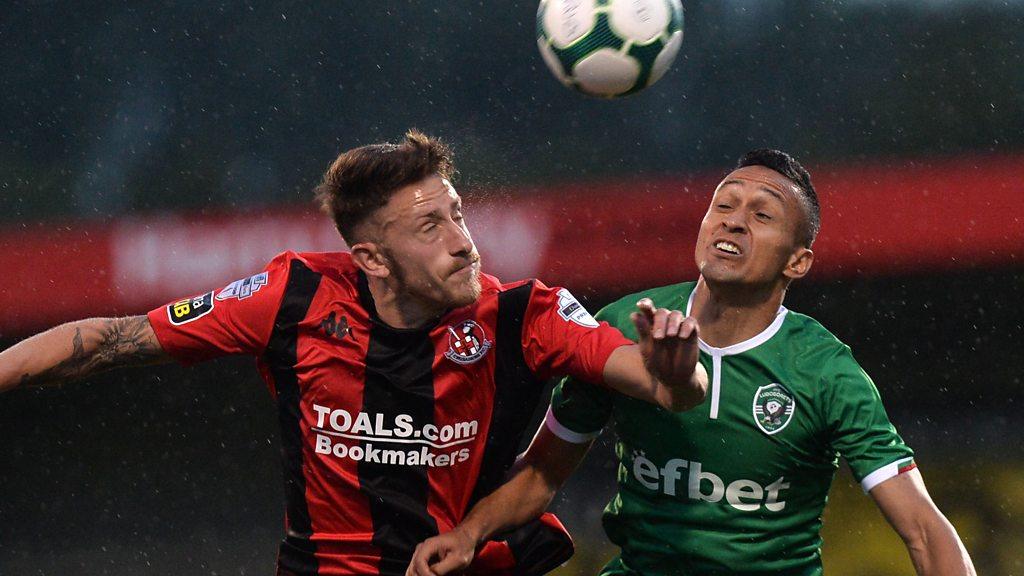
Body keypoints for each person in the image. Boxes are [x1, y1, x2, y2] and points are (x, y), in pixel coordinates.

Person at [0, 130, 707, 576]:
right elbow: (103, 342)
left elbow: (665, 387)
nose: (462, 240)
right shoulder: (294, 297)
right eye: (430, 226)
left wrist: (676, 369)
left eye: (458, 213)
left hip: (470, 561)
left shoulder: (525, 313)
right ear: (370, 256)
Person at [407, 149, 976, 576]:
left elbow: (924, 529)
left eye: (762, 215)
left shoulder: (826, 374)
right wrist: (470, 533)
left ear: (798, 262)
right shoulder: (621, 324)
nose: (732, 220)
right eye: (723, 205)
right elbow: (543, 472)